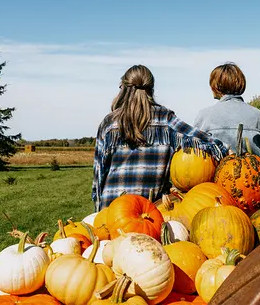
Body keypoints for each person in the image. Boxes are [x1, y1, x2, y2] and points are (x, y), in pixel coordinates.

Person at [92, 65, 230, 211]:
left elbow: (99, 176)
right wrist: (226, 150)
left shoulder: (109, 123)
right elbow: (207, 142)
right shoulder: (165, 119)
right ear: (151, 89)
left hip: (112, 210)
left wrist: (97, 208)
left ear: (124, 88)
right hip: (149, 212)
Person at [193, 62, 260, 163]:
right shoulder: (257, 115)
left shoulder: (204, 115)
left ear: (215, 86)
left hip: (214, 177)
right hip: (253, 176)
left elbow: (194, 154)